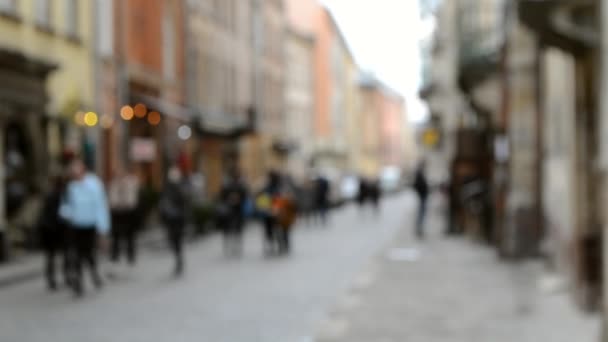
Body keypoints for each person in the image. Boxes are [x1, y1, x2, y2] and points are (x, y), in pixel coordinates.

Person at [60, 158, 110, 297]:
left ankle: (94, 274)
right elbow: (66, 206)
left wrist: (103, 229)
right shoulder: (71, 187)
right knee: (76, 254)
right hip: (76, 225)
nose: (74, 174)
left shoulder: (94, 184)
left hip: (90, 225)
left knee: (88, 253)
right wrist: (66, 213)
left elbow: (100, 206)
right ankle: (79, 282)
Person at [37, 175, 69, 291]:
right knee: (64, 254)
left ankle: (51, 279)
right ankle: (65, 277)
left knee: (51, 256)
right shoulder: (63, 196)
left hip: (49, 230)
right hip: (58, 230)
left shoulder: (49, 196)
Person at [159, 166, 190, 277]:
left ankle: (179, 259)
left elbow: (185, 204)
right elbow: (162, 203)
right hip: (170, 220)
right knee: (173, 240)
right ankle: (178, 258)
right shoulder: (166, 188)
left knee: (177, 240)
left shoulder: (181, 188)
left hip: (178, 220)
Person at [108, 165, 141, 265]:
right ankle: (115, 254)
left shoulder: (131, 182)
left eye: (121, 172)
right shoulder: (113, 184)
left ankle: (131, 255)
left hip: (129, 212)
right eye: (117, 173)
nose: (119, 174)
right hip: (117, 212)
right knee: (116, 235)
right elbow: (111, 198)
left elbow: (134, 195)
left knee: (130, 235)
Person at [218, 168, 249, 256]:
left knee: (237, 229)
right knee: (228, 229)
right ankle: (229, 245)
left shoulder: (241, 185)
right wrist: (229, 199)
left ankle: (236, 245)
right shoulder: (227, 185)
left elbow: (245, 196)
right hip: (229, 210)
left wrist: (239, 199)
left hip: (238, 210)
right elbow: (221, 196)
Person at [413, 162, 430, 238]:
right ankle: (419, 229)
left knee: (421, 213)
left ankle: (419, 228)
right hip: (422, 196)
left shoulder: (420, 174)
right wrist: (422, 192)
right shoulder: (419, 174)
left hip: (423, 196)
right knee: (421, 213)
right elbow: (417, 185)